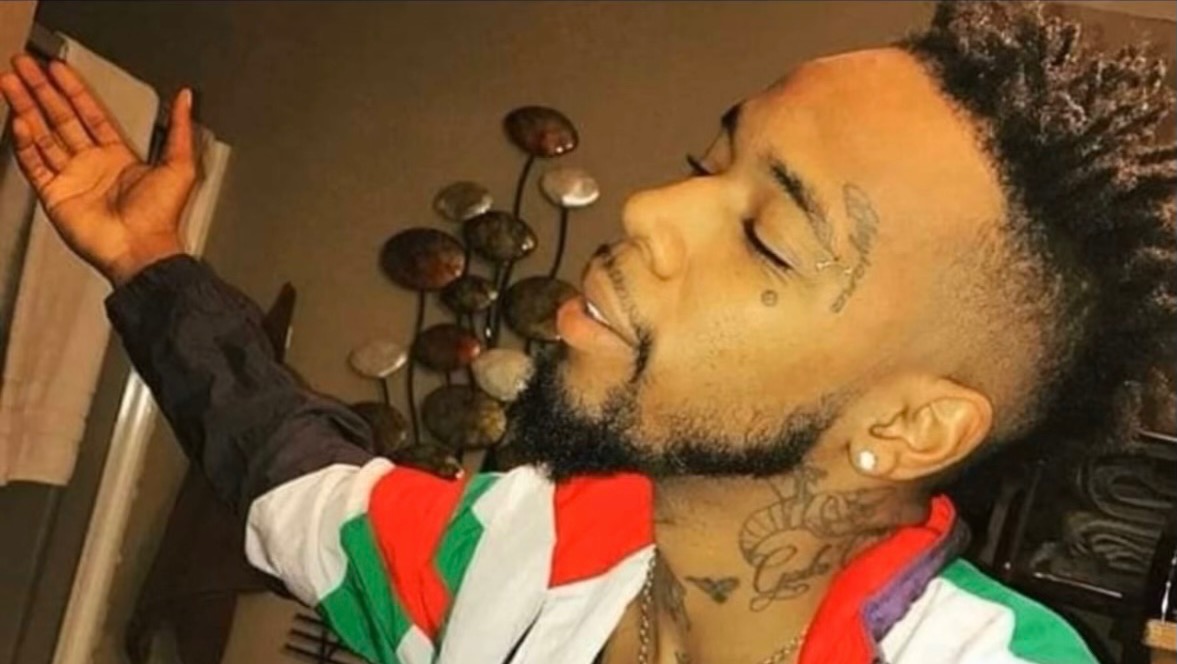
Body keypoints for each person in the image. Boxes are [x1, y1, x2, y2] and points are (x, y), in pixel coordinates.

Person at [2, 1, 1172, 662]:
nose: (651, 211)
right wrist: (148, 261)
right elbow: (287, 465)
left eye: (768, 236)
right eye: (707, 163)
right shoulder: (519, 549)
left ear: (909, 423)